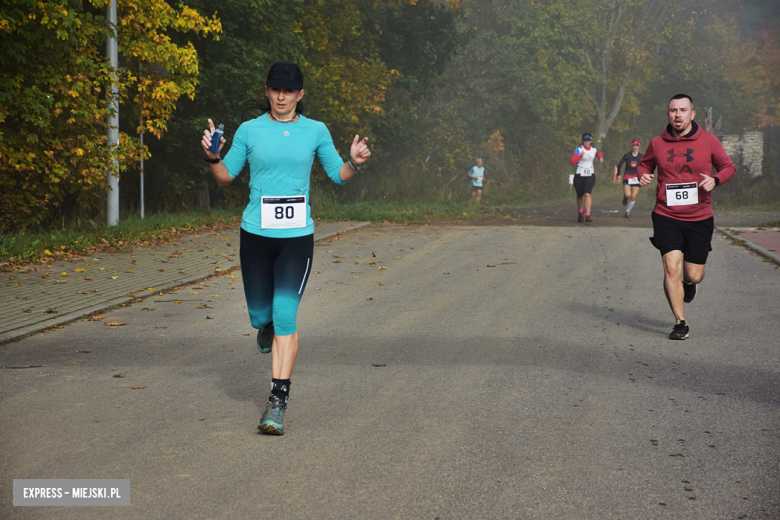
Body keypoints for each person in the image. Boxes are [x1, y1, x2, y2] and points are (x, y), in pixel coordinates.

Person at [200, 61, 371, 434]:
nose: (282, 96)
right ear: (267, 91)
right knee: (261, 317)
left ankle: (277, 401)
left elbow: (336, 175)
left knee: (287, 316)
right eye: (276, 89)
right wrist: (213, 156)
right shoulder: (249, 130)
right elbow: (226, 177)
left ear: (300, 95)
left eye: (289, 91)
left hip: (296, 239)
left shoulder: (315, 131)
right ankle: (268, 326)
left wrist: (353, 164)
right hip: (255, 236)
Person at [637, 94, 735, 340]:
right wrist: (643, 175)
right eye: (672, 110)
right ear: (668, 114)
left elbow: (728, 167)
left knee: (693, 274)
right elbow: (644, 165)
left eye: (682, 110)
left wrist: (715, 179)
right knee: (671, 268)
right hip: (665, 214)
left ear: (692, 114)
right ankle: (680, 322)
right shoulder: (657, 143)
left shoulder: (709, 141)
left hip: (699, 217)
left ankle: (689, 285)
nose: (677, 114)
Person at [570, 133, 603, 222]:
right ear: (583, 141)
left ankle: (588, 215)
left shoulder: (593, 150)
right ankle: (580, 211)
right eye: (585, 140)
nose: (587, 142)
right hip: (579, 175)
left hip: (590, 175)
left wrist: (600, 157)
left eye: (588, 140)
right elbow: (572, 162)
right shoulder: (578, 149)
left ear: (591, 141)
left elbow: (598, 153)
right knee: (579, 195)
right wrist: (580, 156)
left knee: (587, 194)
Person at [614, 139, 644, 218]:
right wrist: (618, 174)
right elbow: (620, 164)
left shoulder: (641, 157)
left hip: (637, 178)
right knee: (628, 194)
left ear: (639, 147)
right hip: (627, 177)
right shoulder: (627, 156)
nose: (635, 147)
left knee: (633, 196)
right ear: (631, 147)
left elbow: (646, 166)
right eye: (633, 146)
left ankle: (627, 212)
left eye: (636, 146)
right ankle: (625, 197)